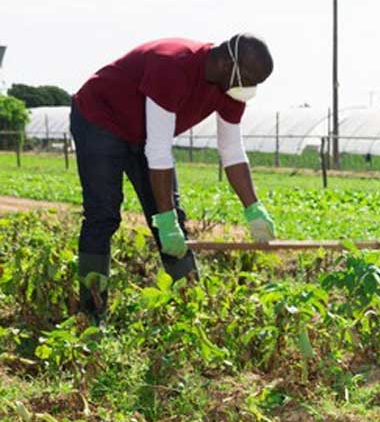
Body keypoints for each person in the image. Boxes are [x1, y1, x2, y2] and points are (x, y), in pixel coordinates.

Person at [71, 34, 277, 321]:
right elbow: (158, 150)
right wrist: (165, 220)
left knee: (173, 220)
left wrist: (253, 208)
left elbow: (231, 150)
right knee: (103, 216)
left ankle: (191, 311)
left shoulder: (230, 87)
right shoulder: (173, 65)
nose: (251, 88)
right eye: (250, 79)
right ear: (229, 63)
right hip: (101, 119)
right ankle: (92, 314)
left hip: (142, 132)